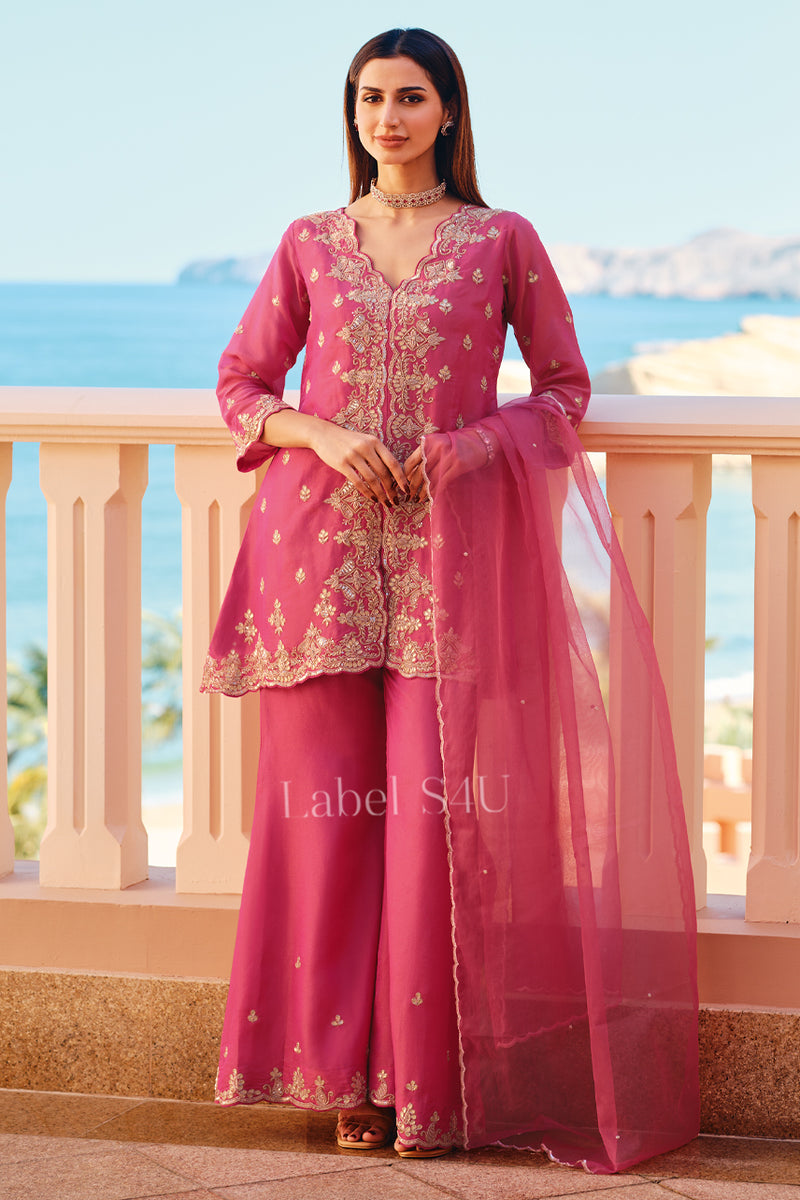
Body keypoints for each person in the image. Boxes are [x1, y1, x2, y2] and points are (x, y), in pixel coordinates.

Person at [203, 27, 699, 1173]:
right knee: (323, 830)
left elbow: (562, 389)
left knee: (430, 828)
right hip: (314, 566)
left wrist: (472, 447)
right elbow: (241, 383)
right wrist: (317, 433)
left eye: (409, 97)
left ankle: (418, 1083)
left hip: (447, 570)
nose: (387, 117)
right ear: (352, 114)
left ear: (447, 112)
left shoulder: (499, 240)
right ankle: (340, 1082)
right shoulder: (308, 243)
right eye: (370, 98)